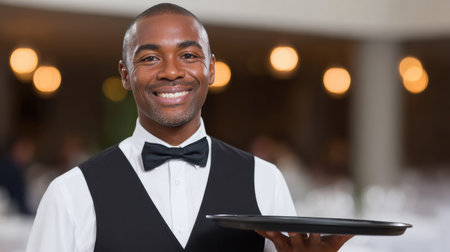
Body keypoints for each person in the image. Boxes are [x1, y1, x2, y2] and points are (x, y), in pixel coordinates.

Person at [26, 3, 352, 252]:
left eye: (188, 55)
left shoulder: (265, 181)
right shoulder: (71, 193)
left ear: (211, 69)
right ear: (125, 75)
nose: (171, 72)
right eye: (150, 58)